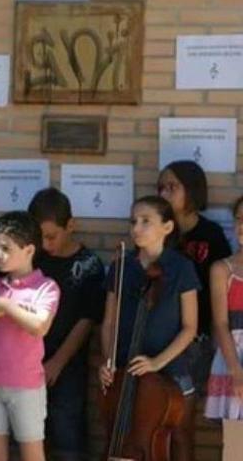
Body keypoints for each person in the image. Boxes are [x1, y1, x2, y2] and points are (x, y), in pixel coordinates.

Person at [99, 196, 199, 461]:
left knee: (179, 438)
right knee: (124, 435)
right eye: (134, 221)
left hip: (170, 369)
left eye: (146, 222)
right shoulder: (122, 266)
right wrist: (108, 361)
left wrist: (156, 363)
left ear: (167, 227)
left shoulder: (181, 268)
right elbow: (109, 322)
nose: (137, 228)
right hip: (125, 367)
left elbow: (190, 328)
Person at [0, 211, 60, 461]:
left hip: (25, 386)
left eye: (6, 249)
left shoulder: (45, 287)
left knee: (31, 453)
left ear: (29, 250)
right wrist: (1, 306)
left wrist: (4, 306)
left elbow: (39, 326)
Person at [28, 188, 105, 461]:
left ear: (70, 226)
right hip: (27, 363)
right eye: (40, 237)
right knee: (32, 438)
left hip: (66, 365)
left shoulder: (89, 264)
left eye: (51, 236)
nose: (46, 244)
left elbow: (87, 319)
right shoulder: (31, 259)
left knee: (67, 434)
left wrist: (58, 362)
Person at [159, 161, 232, 395]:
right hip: (161, 334)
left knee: (184, 413)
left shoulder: (211, 234)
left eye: (172, 187)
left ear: (192, 190)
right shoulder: (158, 232)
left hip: (197, 337)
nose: (164, 194)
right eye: (161, 187)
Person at [205, 195, 243, 426]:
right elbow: (220, 323)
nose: (242, 226)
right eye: (238, 219)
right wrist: (236, 371)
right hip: (234, 356)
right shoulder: (223, 269)